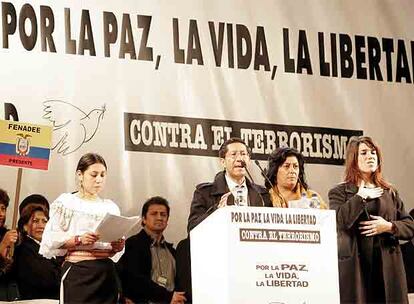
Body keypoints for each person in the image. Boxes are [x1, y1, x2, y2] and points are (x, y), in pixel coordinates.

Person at [328, 136, 414, 304]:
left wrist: (389, 226)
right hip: (358, 266)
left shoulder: (390, 192)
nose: (370, 156)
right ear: (354, 159)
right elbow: (338, 221)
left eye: (373, 153)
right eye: (364, 153)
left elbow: (410, 225)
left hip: (388, 266)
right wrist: (361, 196)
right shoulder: (339, 192)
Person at [39, 153, 125, 304]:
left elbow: (114, 246)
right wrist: (79, 239)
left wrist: (118, 246)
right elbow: (52, 241)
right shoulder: (66, 203)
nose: (99, 179)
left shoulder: (110, 207)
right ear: (80, 175)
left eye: (103, 175)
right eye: (94, 175)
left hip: (106, 273)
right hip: (78, 272)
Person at [188, 137, 272, 231]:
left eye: (243, 154)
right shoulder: (204, 193)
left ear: (249, 160)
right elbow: (192, 228)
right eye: (233, 154)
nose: (240, 159)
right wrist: (216, 211)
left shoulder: (262, 194)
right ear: (223, 162)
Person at [118, 196, 186, 304]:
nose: (159, 218)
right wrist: (167, 297)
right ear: (144, 219)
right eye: (154, 214)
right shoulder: (133, 244)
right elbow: (134, 280)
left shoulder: (172, 252)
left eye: (163, 215)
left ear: (167, 220)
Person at [13, 204, 60, 300]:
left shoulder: (51, 248)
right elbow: (48, 281)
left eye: (45, 221)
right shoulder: (24, 250)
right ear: (25, 226)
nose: (41, 225)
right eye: (35, 221)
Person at [0, 189, 19, 301]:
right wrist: (3, 245)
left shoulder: (9, 235)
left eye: (3, 208)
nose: (1, 214)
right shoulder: (6, 239)